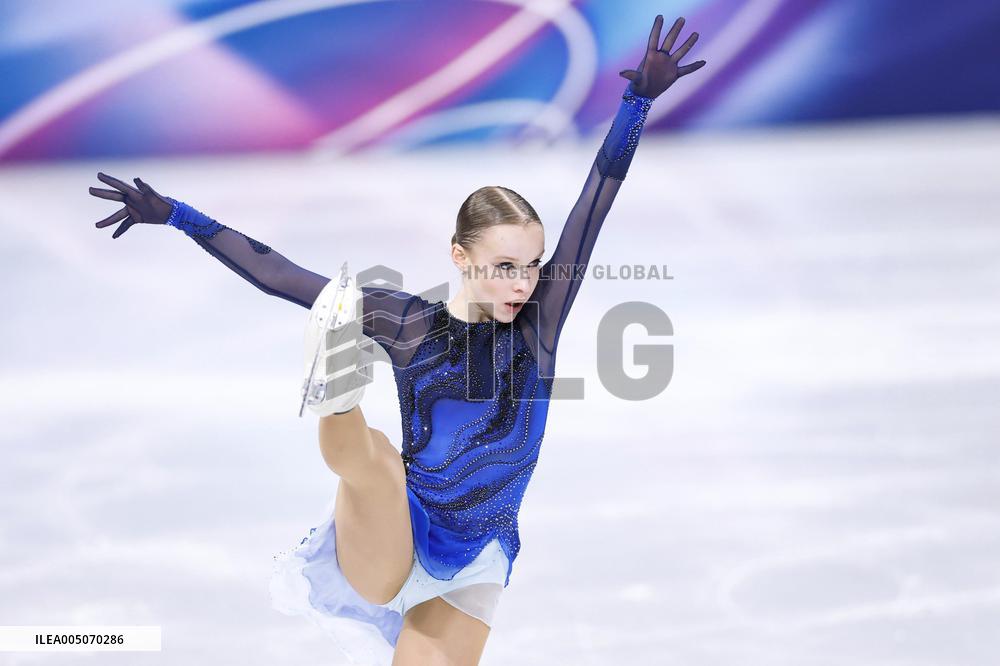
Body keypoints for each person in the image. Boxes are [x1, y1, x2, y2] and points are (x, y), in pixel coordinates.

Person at [88, 15, 705, 665]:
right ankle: (335, 386)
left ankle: (339, 380)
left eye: (531, 264)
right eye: (503, 266)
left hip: (477, 565)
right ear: (461, 258)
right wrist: (180, 216)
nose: (523, 282)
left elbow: (595, 201)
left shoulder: (540, 327)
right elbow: (278, 274)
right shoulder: (409, 323)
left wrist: (636, 104)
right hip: (390, 537)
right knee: (375, 456)